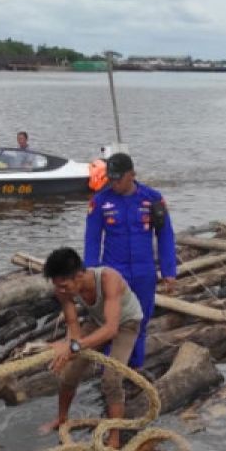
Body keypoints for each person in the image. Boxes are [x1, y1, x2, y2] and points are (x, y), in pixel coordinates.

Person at [40, 247, 144, 448]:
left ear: (79, 275)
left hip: (126, 323)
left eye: (64, 285)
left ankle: (114, 439)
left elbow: (111, 329)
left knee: (111, 379)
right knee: (69, 373)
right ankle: (61, 419)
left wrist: (74, 347)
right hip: (97, 321)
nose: (60, 290)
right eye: (57, 286)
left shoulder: (108, 279)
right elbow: (73, 323)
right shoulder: (62, 289)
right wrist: (71, 348)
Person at [84, 152, 176, 367]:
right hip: (113, 273)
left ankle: (135, 370)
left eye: (118, 178)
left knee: (140, 323)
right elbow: (92, 240)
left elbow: (165, 236)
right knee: (112, 323)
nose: (114, 183)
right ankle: (111, 373)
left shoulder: (152, 199)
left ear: (131, 175)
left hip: (144, 272)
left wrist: (169, 271)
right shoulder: (100, 202)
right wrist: (90, 275)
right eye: (111, 179)